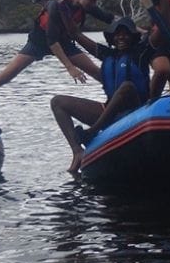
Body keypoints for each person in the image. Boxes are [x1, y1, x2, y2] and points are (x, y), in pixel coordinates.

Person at [0, 0, 112, 107]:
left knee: (96, 72)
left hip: (64, 42)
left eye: (95, 0)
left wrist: (134, 29)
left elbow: (109, 18)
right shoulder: (56, 4)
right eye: (92, 0)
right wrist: (69, 67)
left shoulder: (86, 4)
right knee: (7, 75)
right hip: (40, 41)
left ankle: (118, 99)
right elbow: (51, 40)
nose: (94, 4)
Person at [50, 17, 158, 173]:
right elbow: (75, 33)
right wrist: (64, 7)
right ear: (112, 37)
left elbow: (160, 29)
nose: (121, 37)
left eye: (125, 33)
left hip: (136, 109)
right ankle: (77, 151)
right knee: (57, 102)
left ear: (133, 36)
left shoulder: (141, 52)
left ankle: (92, 131)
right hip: (109, 111)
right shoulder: (106, 54)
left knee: (126, 86)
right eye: (117, 34)